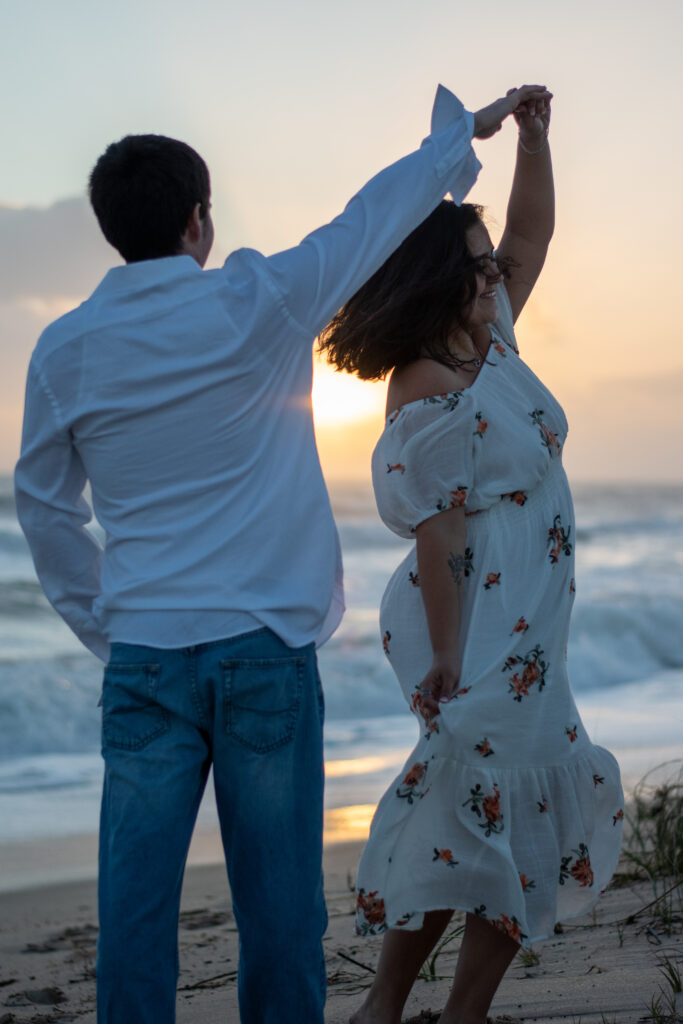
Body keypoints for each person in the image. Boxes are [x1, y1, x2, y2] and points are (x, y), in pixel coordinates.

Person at [13, 82, 549, 1024]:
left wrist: (109, 624)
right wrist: (459, 135)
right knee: (278, 917)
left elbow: (45, 508)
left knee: (132, 919)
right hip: (262, 651)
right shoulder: (259, 297)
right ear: (198, 219)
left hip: (143, 658)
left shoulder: (63, 350)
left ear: (113, 230)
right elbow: (370, 217)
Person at [319, 91, 624, 1024]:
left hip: (534, 629)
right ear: (431, 282)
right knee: (473, 800)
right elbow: (438, 533)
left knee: (516, 808)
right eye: (478, 267)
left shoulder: (493, 338)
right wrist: (448, 658)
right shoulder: (425, 379)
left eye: (493, 265)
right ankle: (388, 1006)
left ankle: (457, 1014)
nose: (497, 273)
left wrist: (535, 141)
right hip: (477, 629)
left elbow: (530, 230)